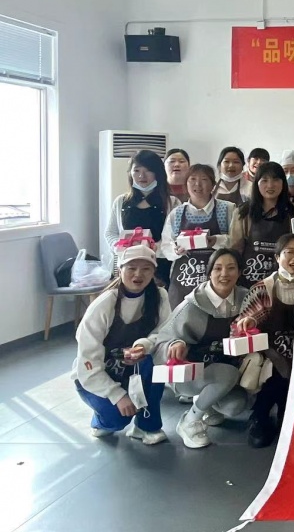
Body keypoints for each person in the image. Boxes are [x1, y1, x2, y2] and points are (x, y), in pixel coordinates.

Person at [73, 245, 171, 445]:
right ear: (120, 270)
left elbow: (164, 332)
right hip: (96, 375)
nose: (138, 274)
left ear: (153, 271)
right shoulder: (104, 304)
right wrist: (117, 395)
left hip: (134, 369)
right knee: (117, 419)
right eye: (131, 268)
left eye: (146, 269)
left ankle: (147, 426)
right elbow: (88, 359)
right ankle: (101, 420)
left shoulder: (159, 296)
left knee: (156, 360)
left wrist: (144, 345)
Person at [156, 248, 250, 449]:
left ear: (239, 272)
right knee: (227, 374)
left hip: (225, 369)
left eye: (231, 268)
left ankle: (208, 404)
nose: (224, 274)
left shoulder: (246, 300)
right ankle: (189, 421)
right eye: (218, 268)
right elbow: (161, 340)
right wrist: (175, 344)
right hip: (192, 372)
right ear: (209, 272)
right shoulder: (192, 305)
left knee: (236, 405)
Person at [234, 234, 294, 448]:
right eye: (289, 252)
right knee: (278, 370)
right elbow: (245, 321)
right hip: (267, 352)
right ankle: (260, 416)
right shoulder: (262, 288)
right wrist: (250, 321)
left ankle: (287, 416)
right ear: (278, 257)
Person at [160, 164, 236, 308]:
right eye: (192, 179)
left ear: (213, 184)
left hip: (219, 281)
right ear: (186, 184)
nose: (198, 184)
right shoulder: (176, 213)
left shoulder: (227, 209)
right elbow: (165, 246)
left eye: (204, 179)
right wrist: (175, 250)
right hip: (184, 280)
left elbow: (237, 241)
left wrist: (216, 241)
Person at [103, 149, 179, 284]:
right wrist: (121, 248)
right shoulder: (121, 201)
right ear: (130, 173)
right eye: (136, 170)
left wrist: (151, 250)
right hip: (128, 267)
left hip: (161, 267)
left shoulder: (172, 202)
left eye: (148, 171)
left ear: (158, 173)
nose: (141, 176)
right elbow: (110, 233)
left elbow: (175, 236)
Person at [229, 161, 294, 287]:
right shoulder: (243, 212)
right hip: (249, 281)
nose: (270, 185)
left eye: (275, 179)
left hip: (284, 283)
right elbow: (235, 250)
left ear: (283, 183)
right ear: (257, 183)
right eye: (264, 180)